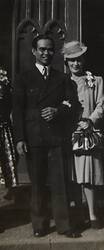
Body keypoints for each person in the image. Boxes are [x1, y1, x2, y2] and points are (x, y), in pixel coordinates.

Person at [12, 34, 81, 238]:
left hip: (56, 137)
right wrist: (19, 138)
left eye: (50, 49)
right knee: (38, 184)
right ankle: (39, 224)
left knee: (60, 183)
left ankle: (64, 225)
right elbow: (17, 111)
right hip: (34, 138)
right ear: (34, 51)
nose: (46, 53)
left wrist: (57, 110)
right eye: (42, 49)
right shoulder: (23, 78)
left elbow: (72, 104)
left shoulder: (62, 78)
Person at [62, 41, 104, 229]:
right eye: (72, 61)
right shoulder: (61, 81)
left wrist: (90, 120)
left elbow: (101, 104)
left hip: (87, 131)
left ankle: (92, 213)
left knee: (88, 173)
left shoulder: (95, 80)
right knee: (71, 174)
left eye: (79, 60)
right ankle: (76, 214)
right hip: (67, 131)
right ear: (66, 62)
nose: (76, 64)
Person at [0, 68, 17, 199]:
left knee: (5, 160)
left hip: (2, 125)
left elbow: (11, 103)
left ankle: (8, 188)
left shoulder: (3, 78)